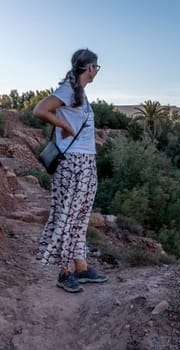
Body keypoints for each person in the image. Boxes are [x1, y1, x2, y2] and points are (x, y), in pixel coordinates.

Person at [31, 48, 108, 293]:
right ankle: (64, 273)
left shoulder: (80, 93)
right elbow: (39, 110)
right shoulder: (67, 89)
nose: (97, 71)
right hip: (71, 165)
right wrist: (64, 125)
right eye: (97, 67)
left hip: (85, 162)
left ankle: (81, 267)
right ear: (89, 68)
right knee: (66, 217)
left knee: (80, 218)